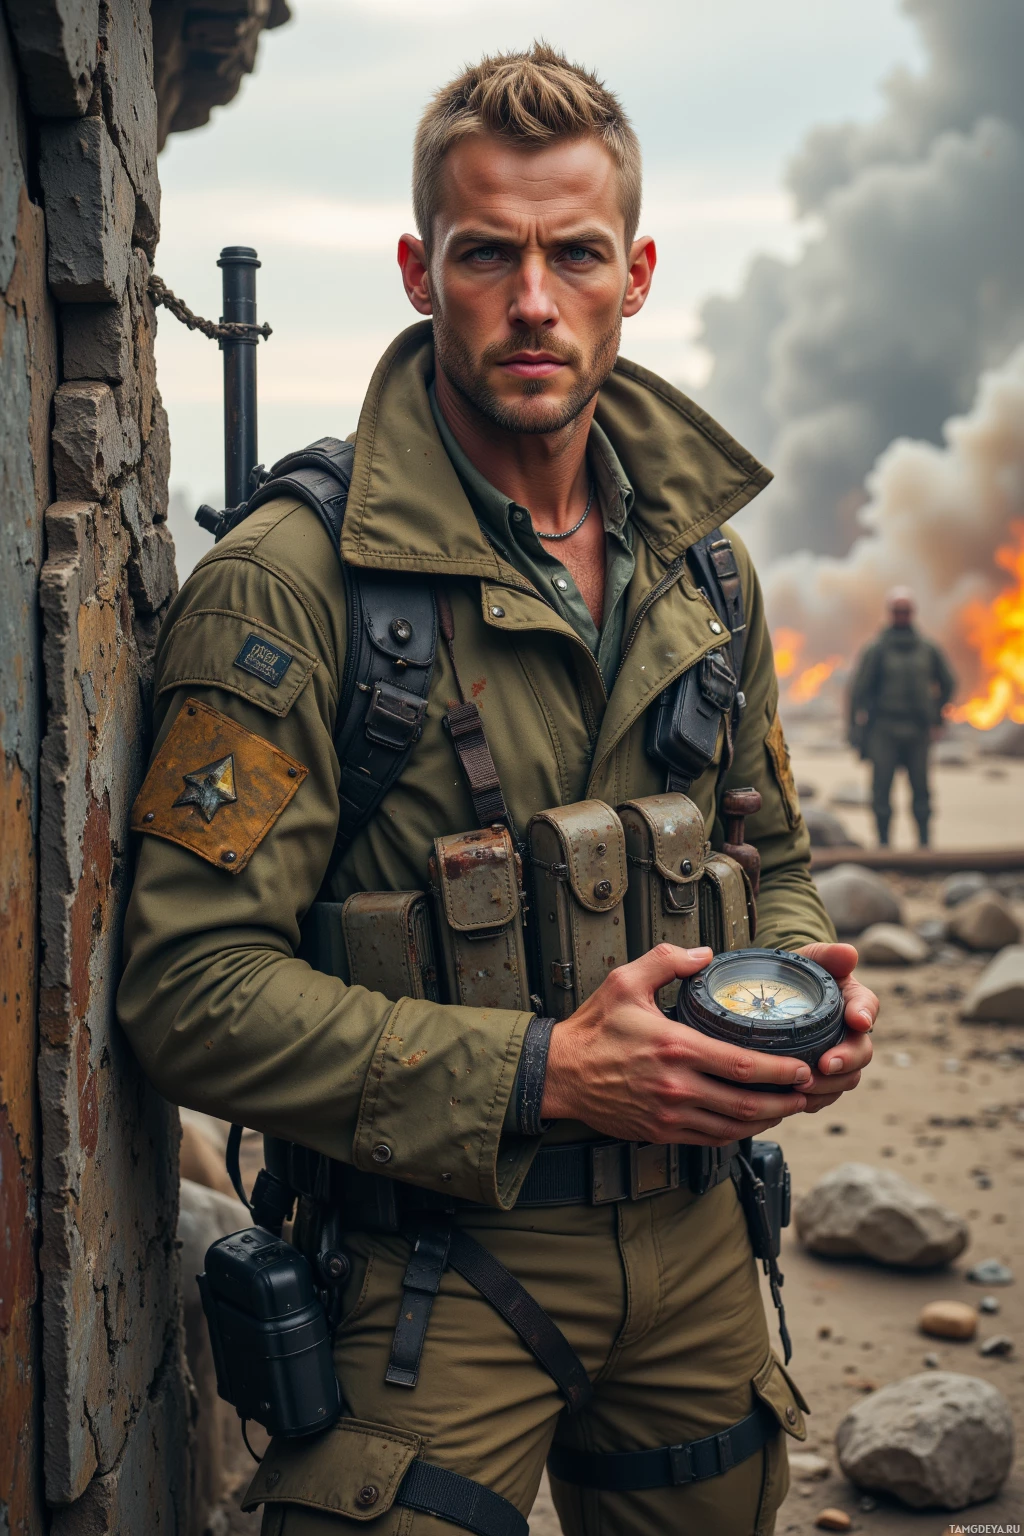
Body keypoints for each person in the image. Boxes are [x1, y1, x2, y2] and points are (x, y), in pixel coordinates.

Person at [118, 45, 876, 1536]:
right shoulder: (287, 591)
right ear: (420, 268)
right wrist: (542, 1074)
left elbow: (769, 856)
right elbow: (189, 988)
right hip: (427, 1276)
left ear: (636, 272)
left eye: (575, 254)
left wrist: (803, 1002)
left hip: (701, 1256)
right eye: (489, 254)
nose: (535, 301)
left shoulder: (705, 568)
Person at [849, 588, 956, 846]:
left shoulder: (927, 649)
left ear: (912, 613)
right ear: (890, 614)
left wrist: (937, 713)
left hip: (918, 730)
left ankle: (924, 844)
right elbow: (858, 692)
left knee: (921, 790)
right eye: (897, 611)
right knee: (881, 791)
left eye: (905, 611)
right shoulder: (876, 650)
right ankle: (884, 844)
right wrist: (855, 730)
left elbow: (948, 682)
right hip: (884, 728)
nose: (901, 616)